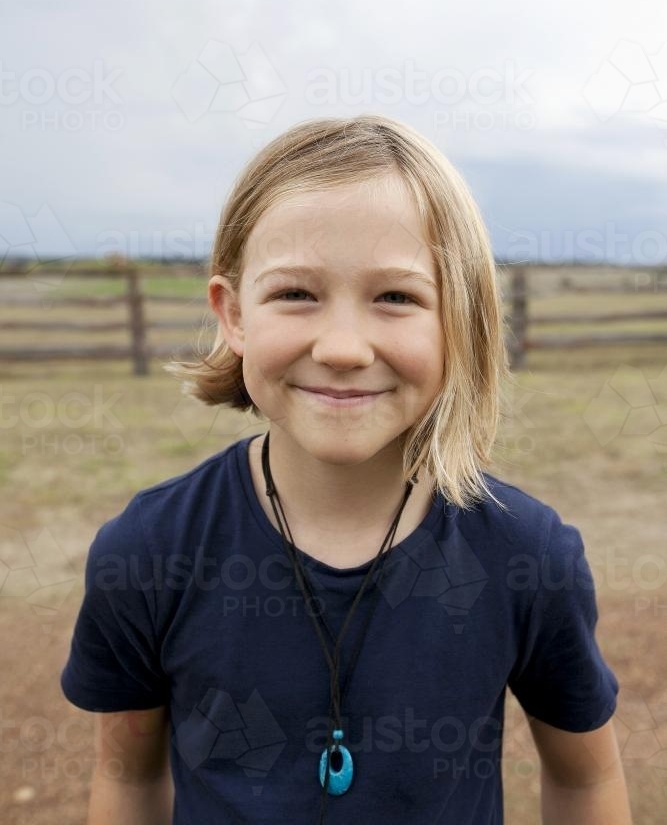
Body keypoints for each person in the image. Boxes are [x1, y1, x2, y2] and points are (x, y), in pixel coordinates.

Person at [60, 114, 632, 824]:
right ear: (232, 315)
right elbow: (128, 783)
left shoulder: (526, 557)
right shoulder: (147, 553)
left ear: (458, 322)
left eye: (395, 297)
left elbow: (583, 783)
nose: (340, 347)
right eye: (295, 293)